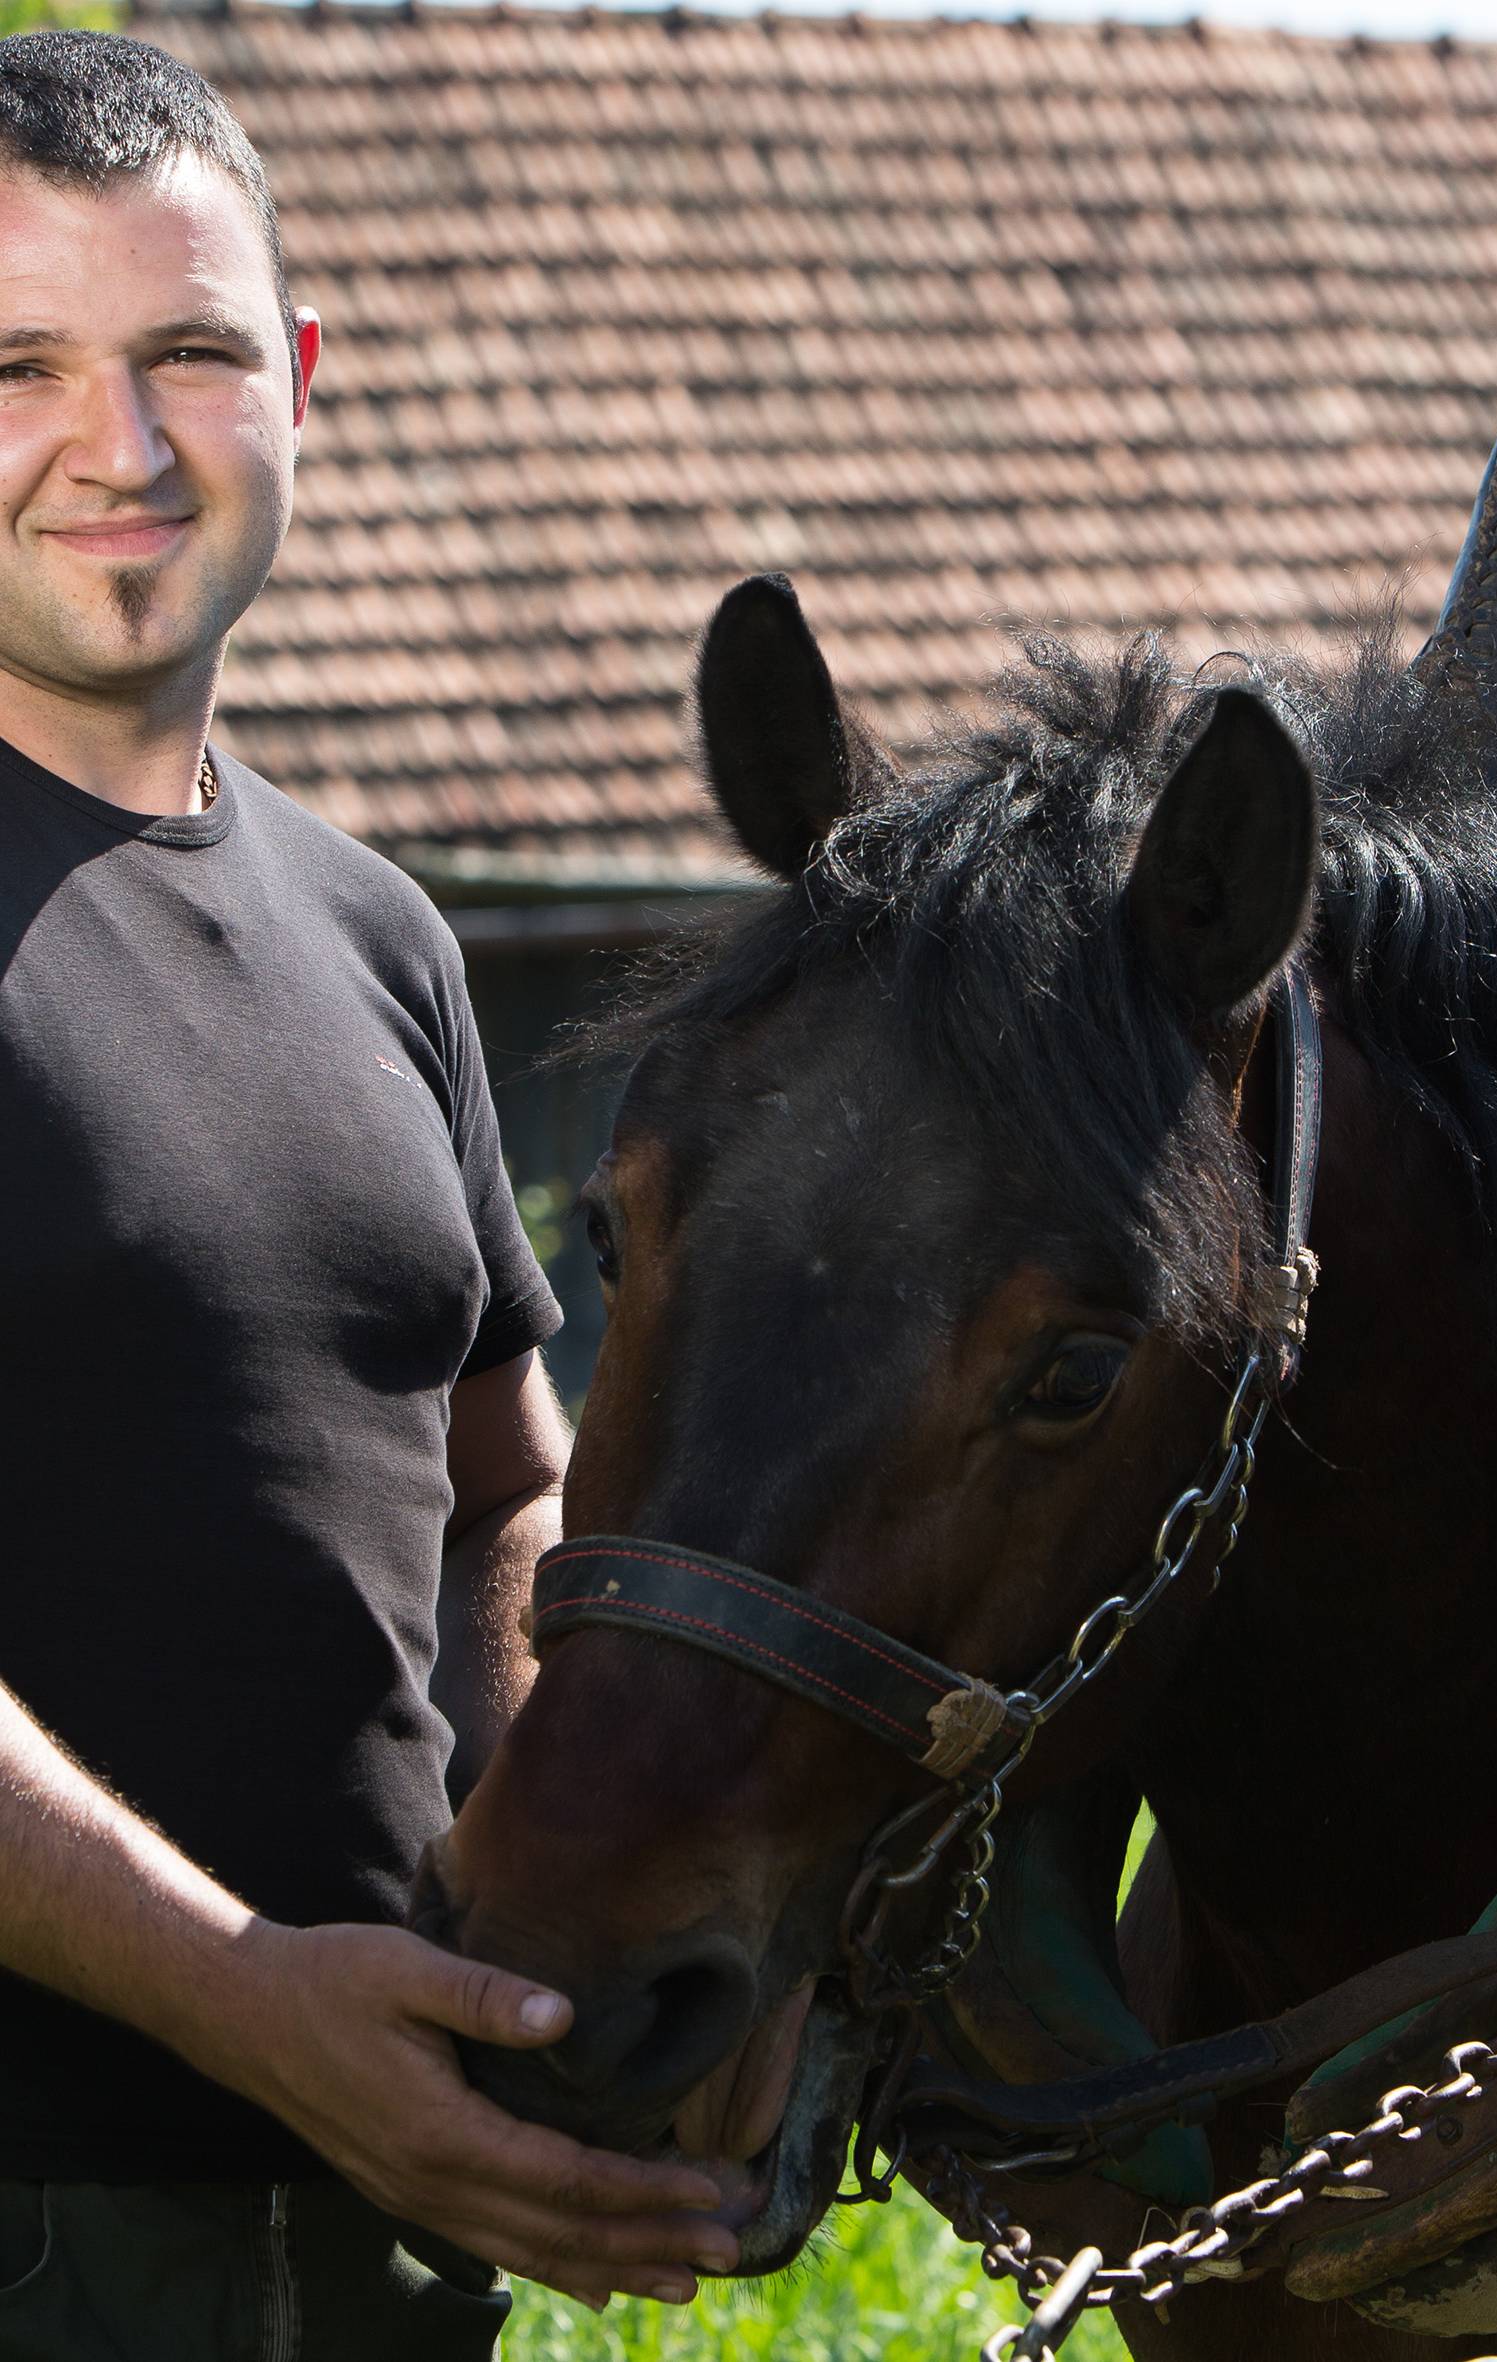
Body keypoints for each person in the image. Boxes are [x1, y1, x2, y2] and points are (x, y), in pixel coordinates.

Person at [0, 28, 737, 2357]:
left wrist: (530, 1924)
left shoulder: (380, 935)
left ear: (298, 376)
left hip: (386, 2242)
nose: (120, 449)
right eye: (18, 364)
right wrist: (248, 1995)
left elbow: (499, 1483)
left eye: (192, 353)